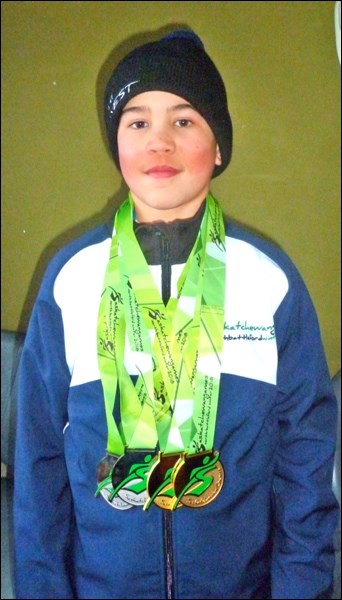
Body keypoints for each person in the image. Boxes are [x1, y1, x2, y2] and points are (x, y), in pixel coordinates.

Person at [13, 28, 339, 600]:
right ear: (117, 145)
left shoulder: (268, 277)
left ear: (218, 147)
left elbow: (306, 457)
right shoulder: (71, 279)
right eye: (137, 122)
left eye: (184, 120)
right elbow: (39, 461)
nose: (158, 142)